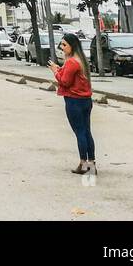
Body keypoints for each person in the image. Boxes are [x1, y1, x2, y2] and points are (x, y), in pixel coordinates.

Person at [50, 33, 96, 176]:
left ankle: (83, 164)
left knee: (80, 132)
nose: (62, 48)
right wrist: (60, 68)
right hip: (86, 100)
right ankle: (91, 163)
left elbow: (64, 82)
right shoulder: (80, 60)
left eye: (64, 45)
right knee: (87, 131)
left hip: (74, 100)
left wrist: (55, 71)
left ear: (72, 45)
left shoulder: (71, 62)